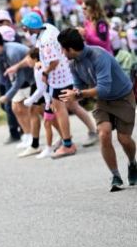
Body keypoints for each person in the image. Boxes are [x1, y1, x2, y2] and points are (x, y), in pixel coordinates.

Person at [6, 12, 97, 158]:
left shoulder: (46, 40)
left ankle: (68, 143)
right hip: (64, 74)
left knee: (60, 109)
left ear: (31, 27)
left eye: (25, 27)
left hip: (59, 77)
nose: (24, 31)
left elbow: (53, 61)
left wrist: (45, 72)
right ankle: (79, 134)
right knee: (69, 106)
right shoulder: (47, 28)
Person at [57, 28, 137, 190]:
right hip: (102, 100)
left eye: (62, 48)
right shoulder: (73, 64)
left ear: (70, 49)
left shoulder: (98, 56)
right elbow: (79, 88)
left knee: (124, 139)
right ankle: (115, 176)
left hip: (123, 97)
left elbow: (104, 88)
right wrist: (73, 94)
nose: (62, 52)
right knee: (104, 133)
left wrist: (79, 93)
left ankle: (132, 163)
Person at [0, 29, 34, 149]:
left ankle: (34, 136)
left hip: (31, 79)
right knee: (16, 108)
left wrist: (8, 95)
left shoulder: (12, 52)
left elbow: (21, 78)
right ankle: (27, 135)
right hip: (20, 81)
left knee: (34, 110)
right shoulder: (2, 51)